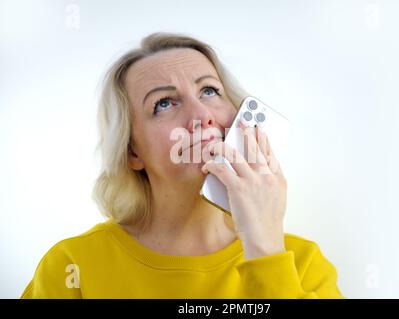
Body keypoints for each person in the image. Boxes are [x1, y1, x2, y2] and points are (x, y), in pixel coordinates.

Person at [21, 32, 343, 299]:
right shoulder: (71, 268)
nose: (201, 115)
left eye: (209, 90)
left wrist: (265, 251)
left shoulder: (302, 265)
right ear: (133, 152)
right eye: (163, 103)